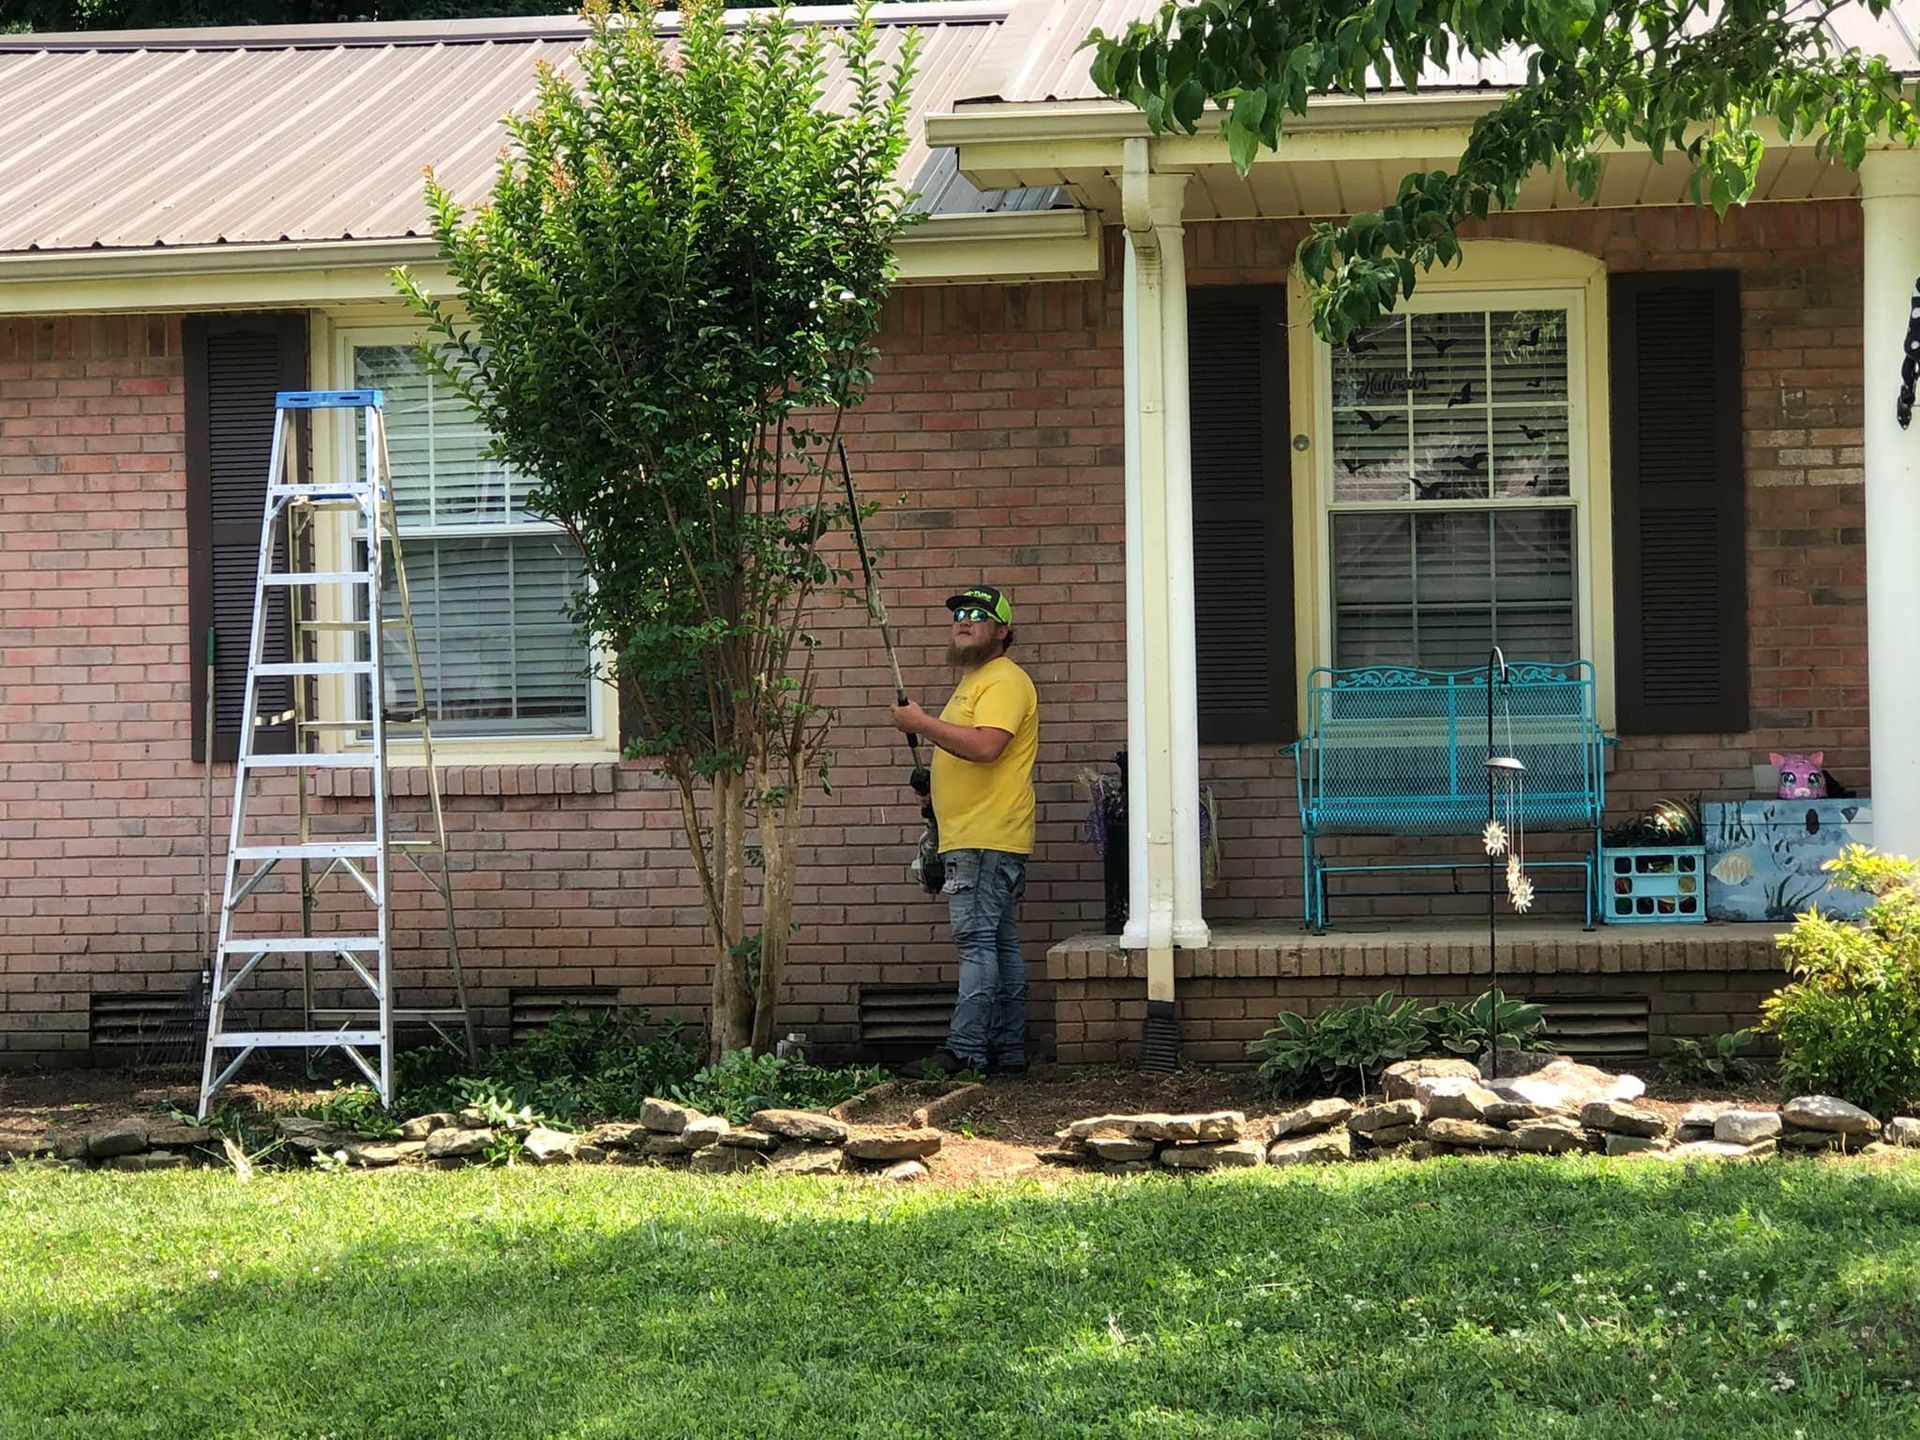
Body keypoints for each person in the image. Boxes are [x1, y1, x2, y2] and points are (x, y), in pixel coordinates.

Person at [890, 584, 1039, 1076]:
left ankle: (965, 1052)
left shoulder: (1003, 680)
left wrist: (920, 722)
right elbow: (968, 754)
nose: (964, 619)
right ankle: (1008, 1053)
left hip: (984, 837)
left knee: (976, 943)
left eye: (978, 614)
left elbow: (985, 747)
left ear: (1003, 631)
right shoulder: (976, 682)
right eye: (959, 613)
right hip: (979, 834)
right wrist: (936, 789)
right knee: (999, 944)